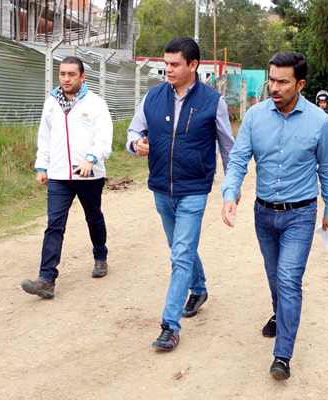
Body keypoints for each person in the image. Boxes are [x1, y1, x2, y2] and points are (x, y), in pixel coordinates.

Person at [220, 51, 328, 380]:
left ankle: (282, 355)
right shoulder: (255, 118)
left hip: (301, 214)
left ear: (300, 84)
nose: (274, 86)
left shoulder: (319, 121)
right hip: (263, 214)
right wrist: (230, 194)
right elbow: (239, 160)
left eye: (282, 81)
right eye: (271, 79)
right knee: (275, 277)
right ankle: (278, 312)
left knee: (289, 279)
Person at [126, 37, 235, 351]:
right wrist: (136, 144)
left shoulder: (213, 102)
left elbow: (229, 149)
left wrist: (231, 188)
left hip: (194, 189)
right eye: (166, 63)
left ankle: (169, 326)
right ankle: (198, 289)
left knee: (180, 255)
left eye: (174, 64)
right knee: (180, 248)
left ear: (193, 66)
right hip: (161, 187)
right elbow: (134, 131)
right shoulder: (154, 96)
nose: (167, 69)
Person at [21, 56, 114, 299]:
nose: (66, 78)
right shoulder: (50, 103)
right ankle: (46, 278)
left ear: (82, 77)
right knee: (54, 225)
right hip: (59, 175)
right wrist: (42, 167)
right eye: (62, 73)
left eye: (71, 74)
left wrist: (91, 158)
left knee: (94, 218)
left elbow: (104, 139)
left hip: (89, 174)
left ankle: (100, 256)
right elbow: (45, 138)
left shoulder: (96, 104)